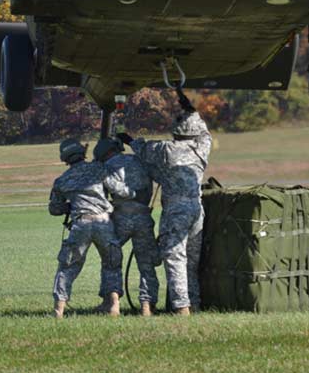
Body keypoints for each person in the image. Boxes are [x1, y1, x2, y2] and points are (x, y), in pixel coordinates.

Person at [119, 89, 212, 315]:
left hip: (176, 210)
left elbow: (144, 150)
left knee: (174, 257)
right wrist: (189, 107)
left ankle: (181, 307)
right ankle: (194, 304)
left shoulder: (167, 150)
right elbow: (205, 132)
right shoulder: (202, 148)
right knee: (191, 261)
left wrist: (128, 139)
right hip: (196, 209)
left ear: (177, 132)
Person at [49, 137, 134, 318]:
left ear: (64, 158)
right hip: (104, 222)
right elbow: (121, 190)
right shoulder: (99, 169)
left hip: (80, 223)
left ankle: (59, 310)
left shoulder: (62, 180)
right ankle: (114, 306)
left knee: (68, 265)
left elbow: (54, 209)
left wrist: (71, 206)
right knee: (112, 263)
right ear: (82, 152)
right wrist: (134, 193)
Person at [94, 137, 160, 317]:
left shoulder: (105, 167)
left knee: (111, 260)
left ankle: (112, 303)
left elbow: (100, 196)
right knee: (146, 264)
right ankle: (147, 305)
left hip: (120, 216)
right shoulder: (139, 160)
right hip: (143, 217)